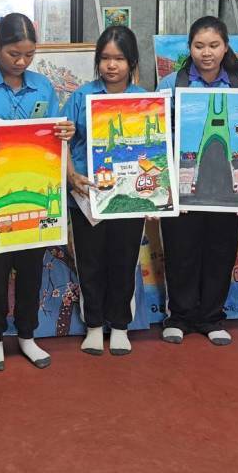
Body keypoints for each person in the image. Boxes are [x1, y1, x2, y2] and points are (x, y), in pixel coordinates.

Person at [0, 13, 74, 371]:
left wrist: (65, 131)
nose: (22, 62)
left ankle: (27, 335)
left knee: (31, 268)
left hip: (37, 188)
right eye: (14, 54)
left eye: (29, 55)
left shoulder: (43, 87)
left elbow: (55, 132)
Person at [156, 16, 238, 347]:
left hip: (225, 188)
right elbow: (158, 135)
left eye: (213, 45)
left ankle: (211, 317)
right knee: (181, 251)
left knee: (220, 252)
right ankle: (179, 317)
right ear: (189, 48)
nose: (206, 52)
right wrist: (168, 187)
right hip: (181, 186)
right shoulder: (171, 83)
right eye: (199, 46)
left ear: (225, 47)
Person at [65, 26, 148, 355]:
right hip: (88, 195)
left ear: (132, 62)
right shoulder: (80, 96)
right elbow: (63, 141)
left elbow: (155, 148)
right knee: (90, 262)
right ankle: (94, 325)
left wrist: (157, 195)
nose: (111, 65)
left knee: (124, 261)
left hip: (130, 196)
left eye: (119, 58)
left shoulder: (144, 99)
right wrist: (72, 176)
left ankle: (120, 326)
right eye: (105, 58)